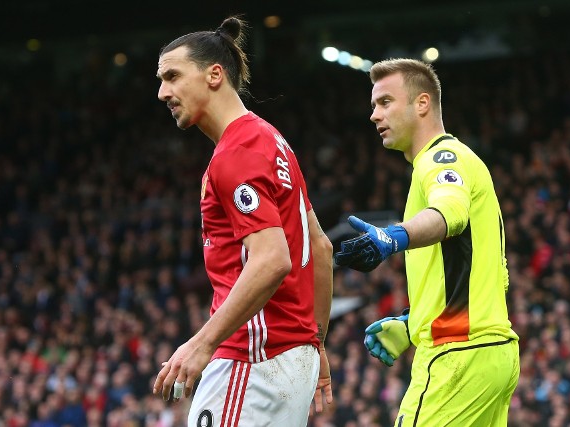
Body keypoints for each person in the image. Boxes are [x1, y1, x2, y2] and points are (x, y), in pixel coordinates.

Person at [152, 16, 333, 426]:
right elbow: (320, 248)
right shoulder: (271, 140)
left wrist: (201, 345)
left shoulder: (237, 153)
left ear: (214, 75)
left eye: (173, 76)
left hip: (252, 360)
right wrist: (315, 344)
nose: (163, 92)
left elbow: (272, 259)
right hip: (289, 358)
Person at [334, 58, 520, 426]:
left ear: (422, 103)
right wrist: (413, 323)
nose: (374, 115)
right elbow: (471, 271)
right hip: (494, 353)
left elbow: (450, 213)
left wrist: (393, 236)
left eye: (385, 102)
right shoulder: (462, 160)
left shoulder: (440, 158)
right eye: (374, 105)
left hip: (457, 358)